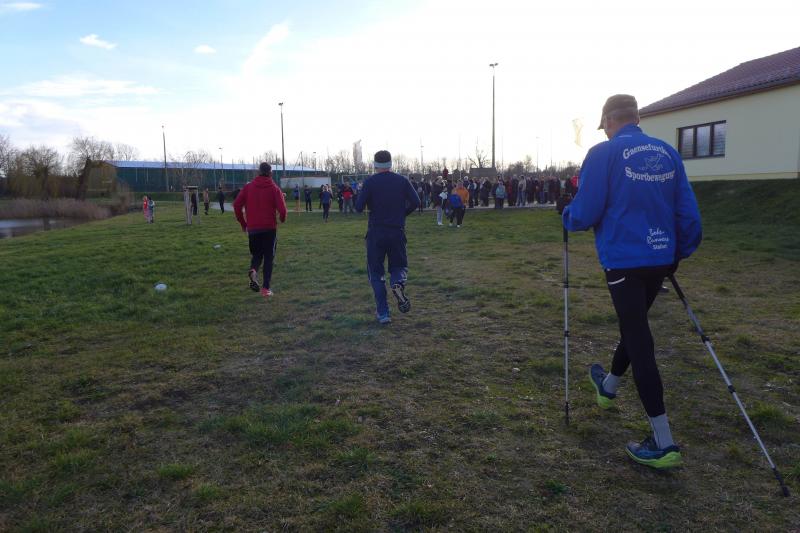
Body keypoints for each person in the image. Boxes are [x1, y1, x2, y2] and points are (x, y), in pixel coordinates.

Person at [562, 94, 702, 469]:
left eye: (604, 126)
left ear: (609, 121)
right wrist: (677, 253)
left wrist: (567, 215)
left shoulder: (603, 153)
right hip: (660, 258)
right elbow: (688, 212)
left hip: (624, 260)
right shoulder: (668, 152)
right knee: (634, 324)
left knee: (639, 338)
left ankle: (664, 441)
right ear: (636, 118)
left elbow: (586, 211)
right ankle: (608, 387)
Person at [355, 150, 420, 324]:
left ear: (375, 165)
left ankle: (383, 313)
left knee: (376, 273)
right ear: (391, 164)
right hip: (396, 231)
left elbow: (358, 207)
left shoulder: (370, 182)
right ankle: (397, 283)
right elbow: (416, 202)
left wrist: (362, 194)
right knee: (399, 265)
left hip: (376, 233)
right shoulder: (402, 181)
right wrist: (402, 214)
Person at [233, 162, 288, 298]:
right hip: (269, 228)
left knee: (257, 255)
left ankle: (253, 270)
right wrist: (282, 219)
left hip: (253, 229)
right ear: (270, 173)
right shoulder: (274, 188)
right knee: (269, 257)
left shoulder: (248, 187)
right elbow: (282, 210)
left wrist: (243, 224)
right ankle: (266, 288)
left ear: (258, 172)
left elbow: (236, 205)